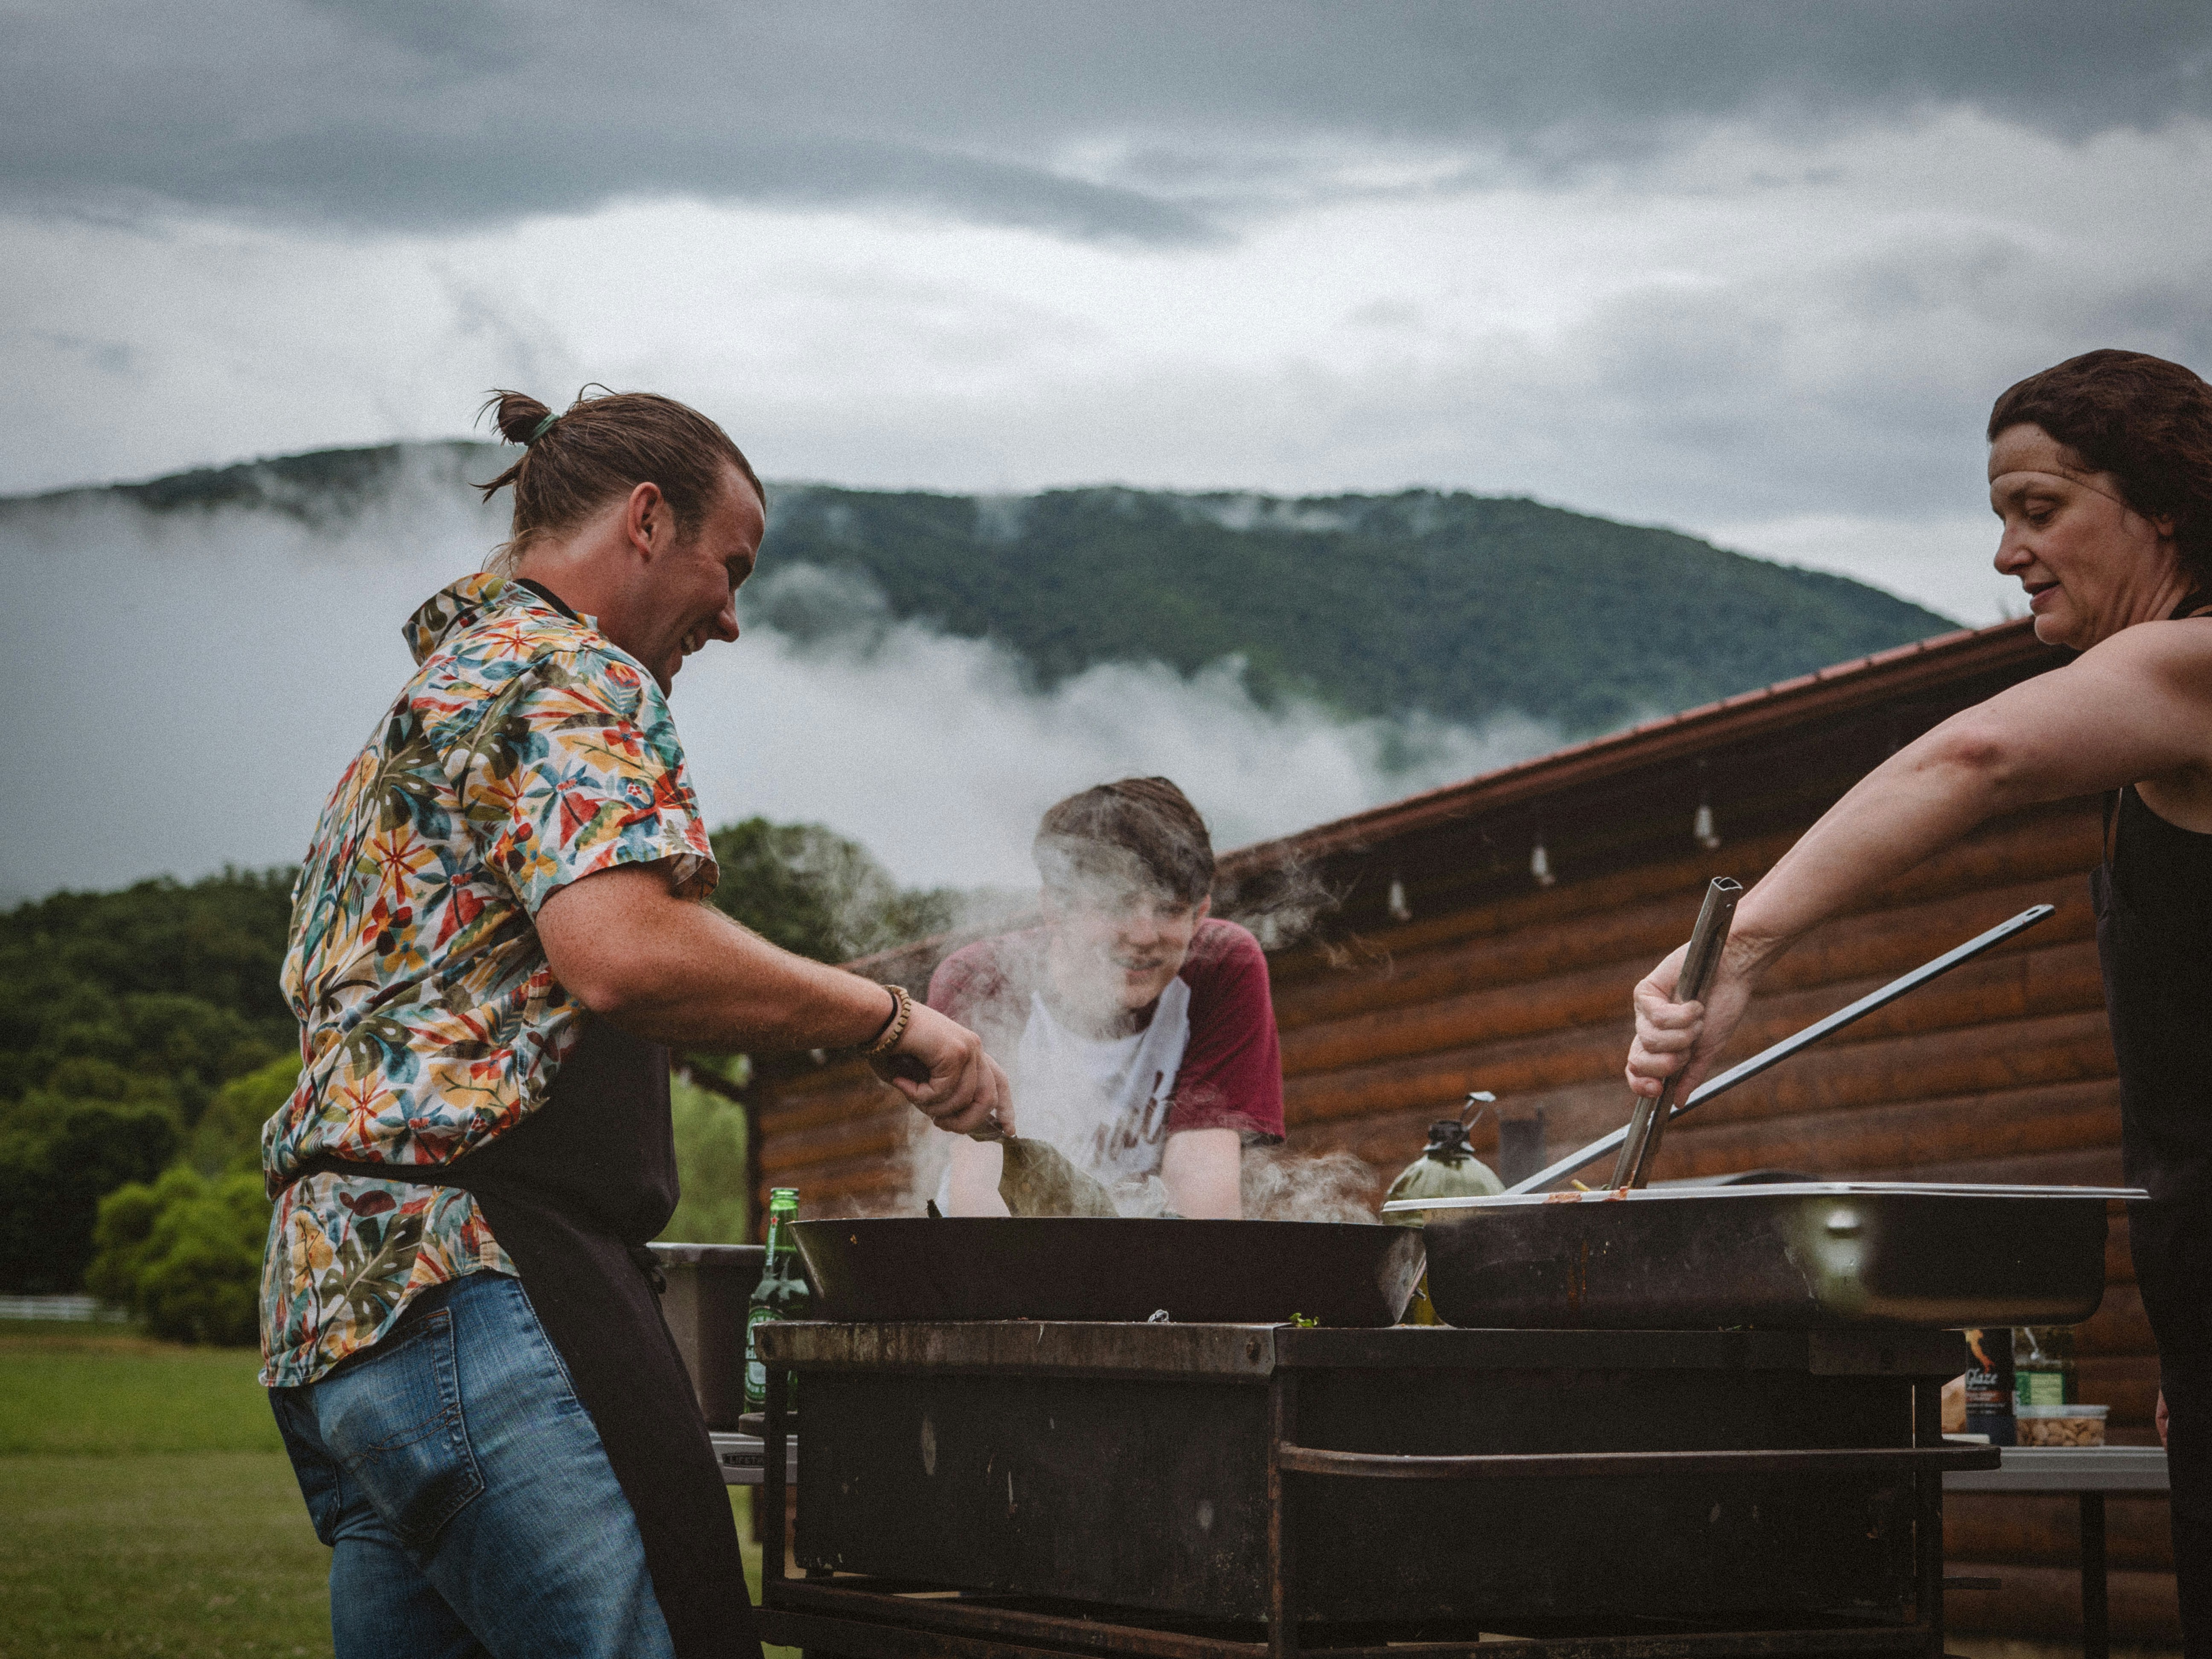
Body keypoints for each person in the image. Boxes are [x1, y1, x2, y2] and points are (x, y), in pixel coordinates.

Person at [259, 387, 1008, 1659]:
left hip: (335, 1316)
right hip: (472, 1280)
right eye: (731, 567)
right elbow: (624, 952)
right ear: (648, 522)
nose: (731, 615)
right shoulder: (570, 668)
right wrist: (895, 1025)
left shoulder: (433, 699)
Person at [1622, 349, 2212, 1653]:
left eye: (2041, 510)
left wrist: (1745, 952)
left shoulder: (2199, 666)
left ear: (2164, 505)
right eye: (2001, 515)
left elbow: (1982, 754)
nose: (2008, 553)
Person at [931, 778, 1284, 1217]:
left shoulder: (1222, 968)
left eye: (1170, 909)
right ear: (1056, 909)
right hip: (1005, 1251)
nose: (1143, 936)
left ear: (1201, 913)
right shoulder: (982, 983)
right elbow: (983, 1192)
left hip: (1150, 1259)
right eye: (1117, 906)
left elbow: (1201, 1192)